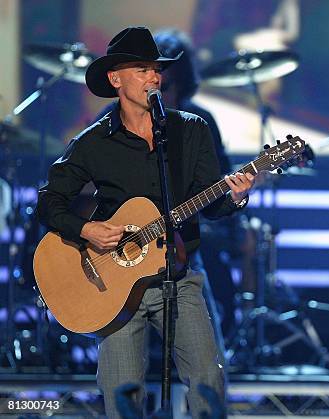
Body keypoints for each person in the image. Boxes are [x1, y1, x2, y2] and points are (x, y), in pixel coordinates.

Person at [36, 27, 255, 418]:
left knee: (209, 381)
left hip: (179, 276)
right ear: (115, 79)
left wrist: (234, 197)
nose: (154, 77)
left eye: (156, 69)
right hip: (114, 289)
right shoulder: (94, 141)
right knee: (122, 394)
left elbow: (212, 203)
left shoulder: (191, 129)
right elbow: (49, 202)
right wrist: (86, 230)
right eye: (142, 69)